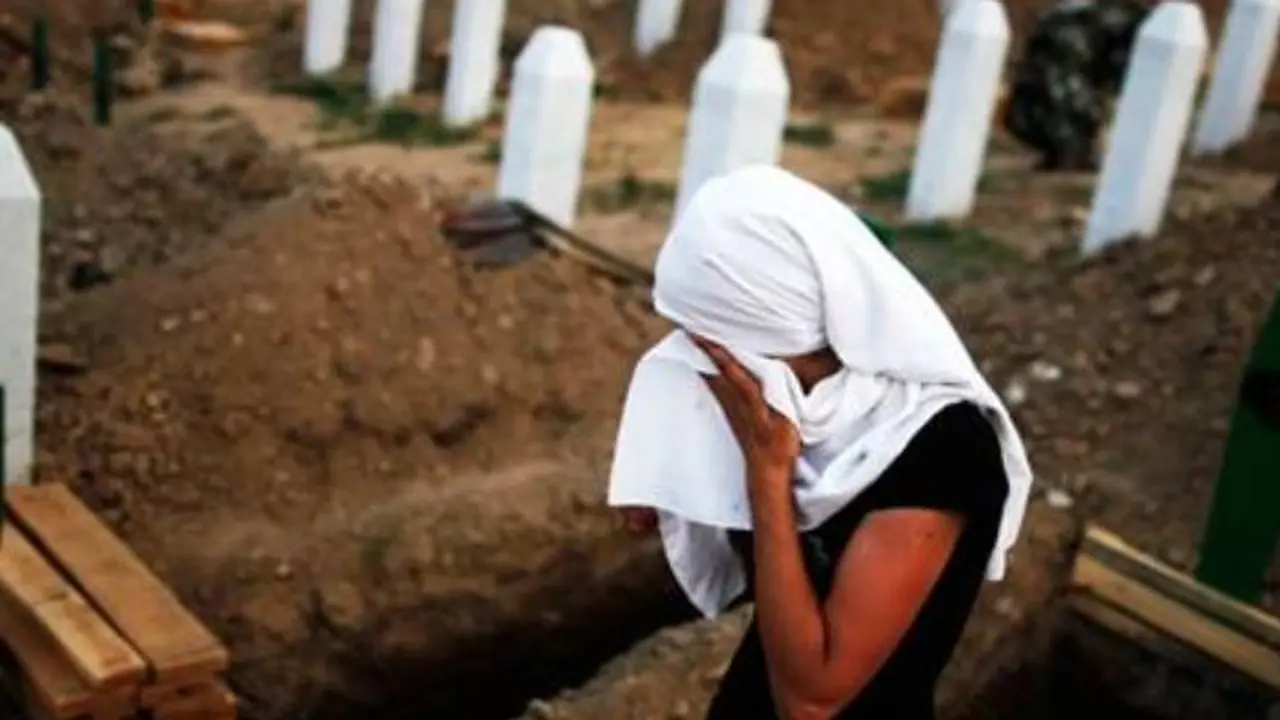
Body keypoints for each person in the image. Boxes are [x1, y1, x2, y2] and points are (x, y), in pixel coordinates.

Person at [609, 165, 1032, 719]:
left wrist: (765, 475)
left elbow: (812, 699)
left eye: (710, 347)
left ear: (769, 334)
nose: (697, 362)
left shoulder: (941, 451)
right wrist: (683, 471)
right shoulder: (803, 412)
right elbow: (769, 582)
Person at [1002, 0, 1162, 171]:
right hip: (1063, 71)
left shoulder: (1120, 16)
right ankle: (1071, 152)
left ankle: (1070, 152)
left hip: (1059, 72)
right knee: (1055, 108)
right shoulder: (1128, 17)